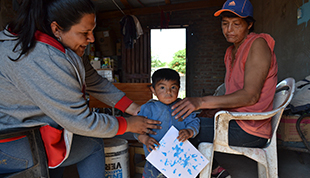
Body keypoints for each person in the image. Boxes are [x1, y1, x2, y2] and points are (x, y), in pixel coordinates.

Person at [0, 0, 161, 177]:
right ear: (56, 29)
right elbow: (80, 122)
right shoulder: (42, 58)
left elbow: (93, 80)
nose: (92, 38)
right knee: (93, 144)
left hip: (35, 133)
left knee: (68, 144)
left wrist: (133, 109)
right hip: (12, 143)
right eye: (85, 32)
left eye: (92, 30)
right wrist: (127, 124)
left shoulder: (63, 46)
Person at [171, 0, 278, 178]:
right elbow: (232, 94)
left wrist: (201, 101)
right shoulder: (230, 52)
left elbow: (250, 97)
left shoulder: (258, 44)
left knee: (180, 129)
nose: (229, 30)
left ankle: (204, 171)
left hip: (250, 128)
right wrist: (210, 109)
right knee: (189, 120)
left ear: (249, 24)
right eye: (225, 24)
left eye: (236, 24)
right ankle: (216, 171)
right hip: (234, 120)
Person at [135, 68, 200, 178]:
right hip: (155, 158)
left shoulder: (183, 106)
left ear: (179, 89)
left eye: (173, 87)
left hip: (181, 158)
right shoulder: (147, 108)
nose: (168, 92)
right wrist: (145, 139)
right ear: (153, 90)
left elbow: (194, 122)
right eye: (162, 87)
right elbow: (136, 130)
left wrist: (189, 131)